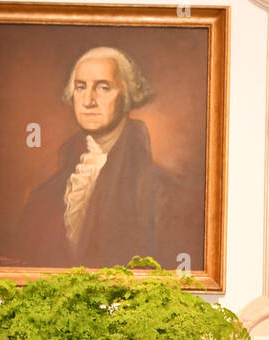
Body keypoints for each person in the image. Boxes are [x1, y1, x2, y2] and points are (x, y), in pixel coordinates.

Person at [11, 45, 202, 269]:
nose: (88, 100)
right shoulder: (44, 197)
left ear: (128, 95)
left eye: (103, 88)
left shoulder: (164, 194)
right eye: (80, 87)